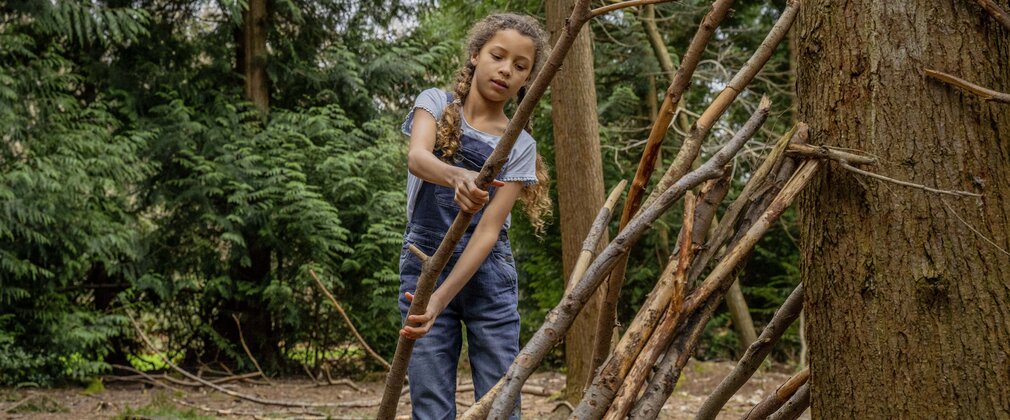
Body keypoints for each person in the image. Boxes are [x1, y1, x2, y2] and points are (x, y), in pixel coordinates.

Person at [397, 13, 552, 420]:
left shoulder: (520, 145)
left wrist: (440, 298)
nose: (506, 70)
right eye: (497, 56)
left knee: (501, 401)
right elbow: (417, 157)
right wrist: (457, 176)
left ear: (527, 80)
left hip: (489, 276)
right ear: (475, 55)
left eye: (520, 66)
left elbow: (487, 232)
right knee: (430, 405)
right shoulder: (434, 102)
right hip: (422, 263)